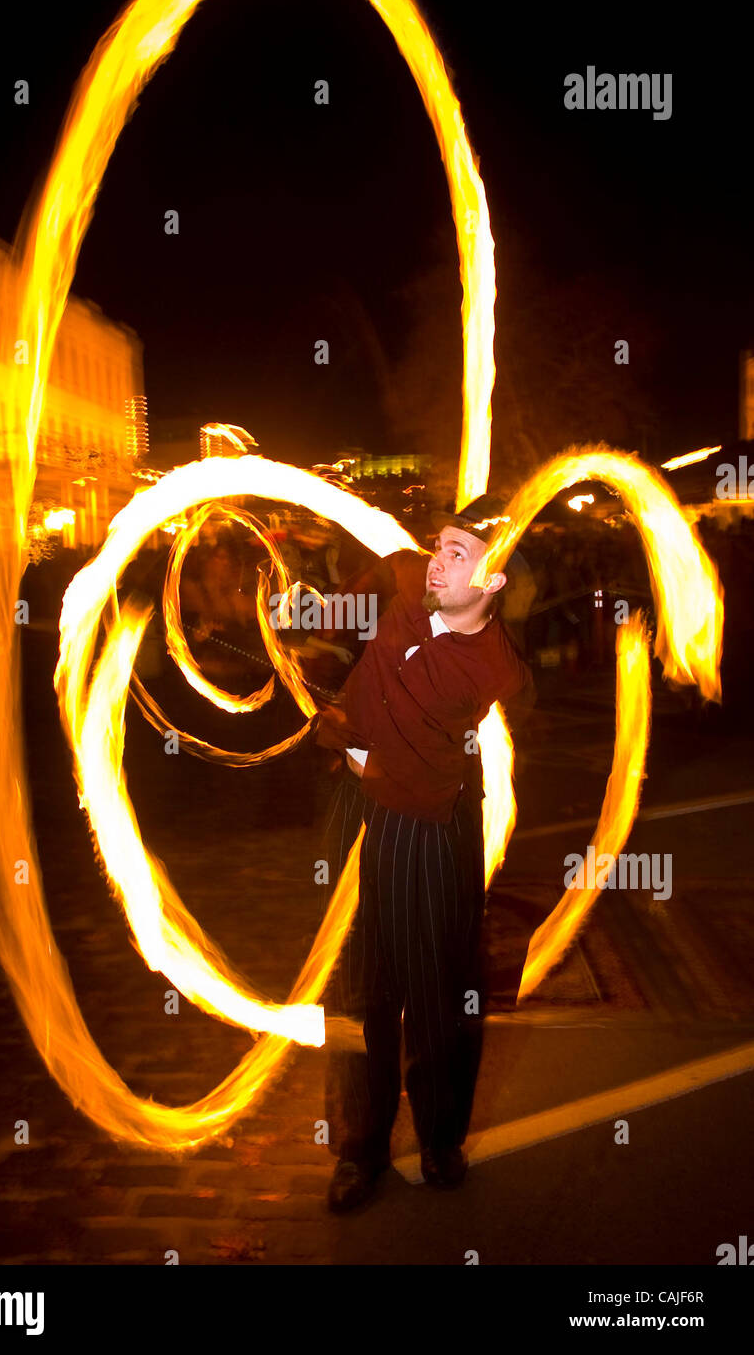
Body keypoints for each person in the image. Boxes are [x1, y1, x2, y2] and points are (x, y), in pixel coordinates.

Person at [313, 505, 536, 1213]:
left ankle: (440, 1138)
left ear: (493, 579)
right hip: (357, 811)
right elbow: (382, 560)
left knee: (433, 993)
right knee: (356, 991)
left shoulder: (488, 668)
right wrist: (318, 634)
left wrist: (340, 741)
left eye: (458, 554)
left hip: (420, 819)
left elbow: (397, 765)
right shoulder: (417, 580)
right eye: (441, 546)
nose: (437, 561)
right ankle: (359, 1147)